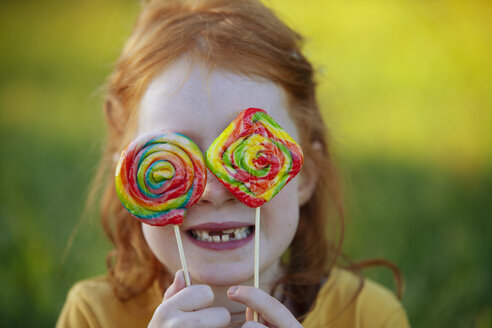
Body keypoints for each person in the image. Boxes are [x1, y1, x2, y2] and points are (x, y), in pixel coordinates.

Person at [57, 0, 410, 327]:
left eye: (252, 150)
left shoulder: (369, 316)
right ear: (134, 180)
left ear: (304, 176)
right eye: (176, 155)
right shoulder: (92, 315)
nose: (214, 191)